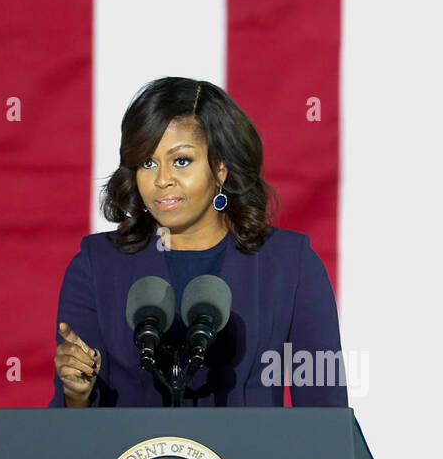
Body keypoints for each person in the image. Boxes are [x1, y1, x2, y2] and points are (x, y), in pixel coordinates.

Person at [50, 76, 346, 408]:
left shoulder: (291, 265)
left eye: (181, 161)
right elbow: (71, 436)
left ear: (220, 167)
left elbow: (326, 414)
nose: (162, 180)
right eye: (148, 163)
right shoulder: (96, 265)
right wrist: (77, 394)